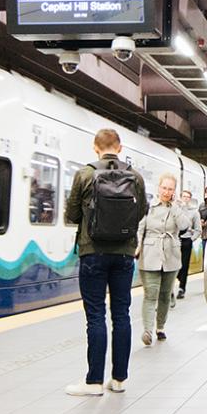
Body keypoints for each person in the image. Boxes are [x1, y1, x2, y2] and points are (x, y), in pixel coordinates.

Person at [64, 128, 147, 396]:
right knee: (121, 314)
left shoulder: (85, 174)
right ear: (120, 148)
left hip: (92, 252)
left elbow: (71, 213)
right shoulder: (135, 176)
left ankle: (94, 382)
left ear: (95, 147)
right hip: (124, 253)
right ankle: (119, 378)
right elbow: (142, 210)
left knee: (96, 316)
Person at [137, 173, 183, 344]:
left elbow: (185, 226)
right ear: (158, 187)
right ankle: (147, 330)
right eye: (164, 187)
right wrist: (137, 246)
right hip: (150, 255)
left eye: (170, 189)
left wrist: (176, 206)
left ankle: (160, 327)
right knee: (150, 294)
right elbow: (140, 228)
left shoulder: (177, 208)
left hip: (171, 256)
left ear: (174, 191)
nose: (166, 191)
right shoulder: (148, 206)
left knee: (164, 295)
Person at [176, 189, 201, 299]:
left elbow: (198, 229)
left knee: (184, 265)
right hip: (175, 240)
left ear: (190, 199)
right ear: (181, 197)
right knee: (174, 264)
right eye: (184, 196)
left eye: (187, 197)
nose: (185, 198)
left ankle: (182, 288)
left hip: (187, 241)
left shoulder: (194, 212)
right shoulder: (175, 210)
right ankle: (179, 278)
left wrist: (192, 239)